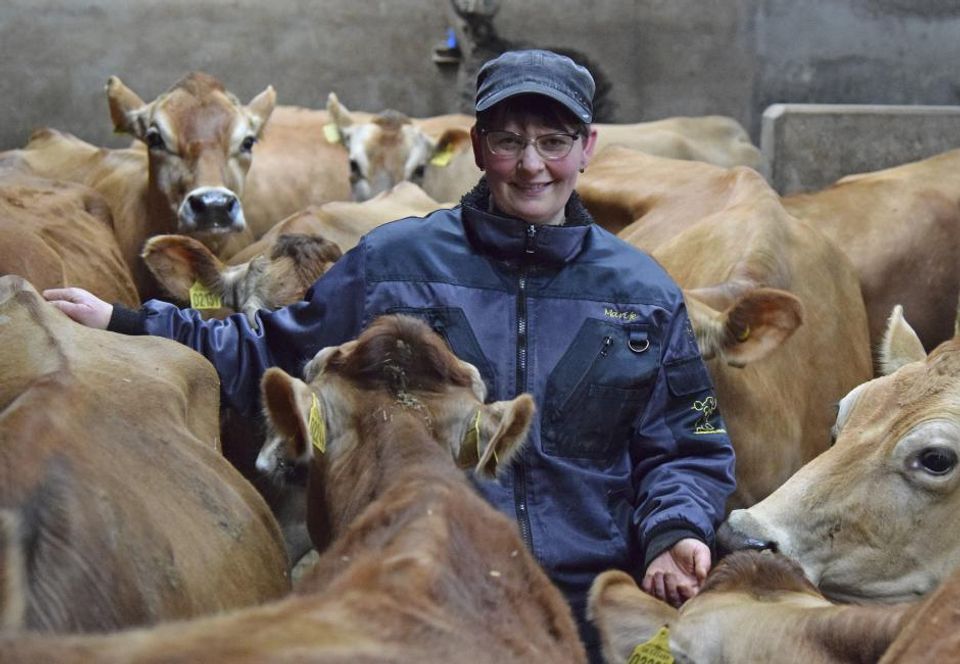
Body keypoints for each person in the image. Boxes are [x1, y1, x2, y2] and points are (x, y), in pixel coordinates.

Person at [45, 49, 736, 661]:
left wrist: (676, 529)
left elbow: (687, 444)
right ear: (475, 146)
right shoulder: (396, 262)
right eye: (509, 141)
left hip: (587, 603)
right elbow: (267, 347)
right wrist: (126, 320)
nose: (531, 165)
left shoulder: (643, 292)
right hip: (431, 590)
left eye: (553, 142)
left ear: (587, 149)